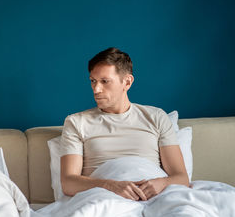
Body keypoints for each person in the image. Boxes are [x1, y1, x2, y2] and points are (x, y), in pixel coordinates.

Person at [60, 47, 189, 201]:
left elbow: (181, 178)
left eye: (104, 81)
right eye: (93, 81)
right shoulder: (77, 122)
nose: (96, 89)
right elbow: (68, 183)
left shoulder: (156, 117)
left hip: (156, 197)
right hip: (105, 198)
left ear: (127, 82)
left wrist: (161, 184)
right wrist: (110, 186)